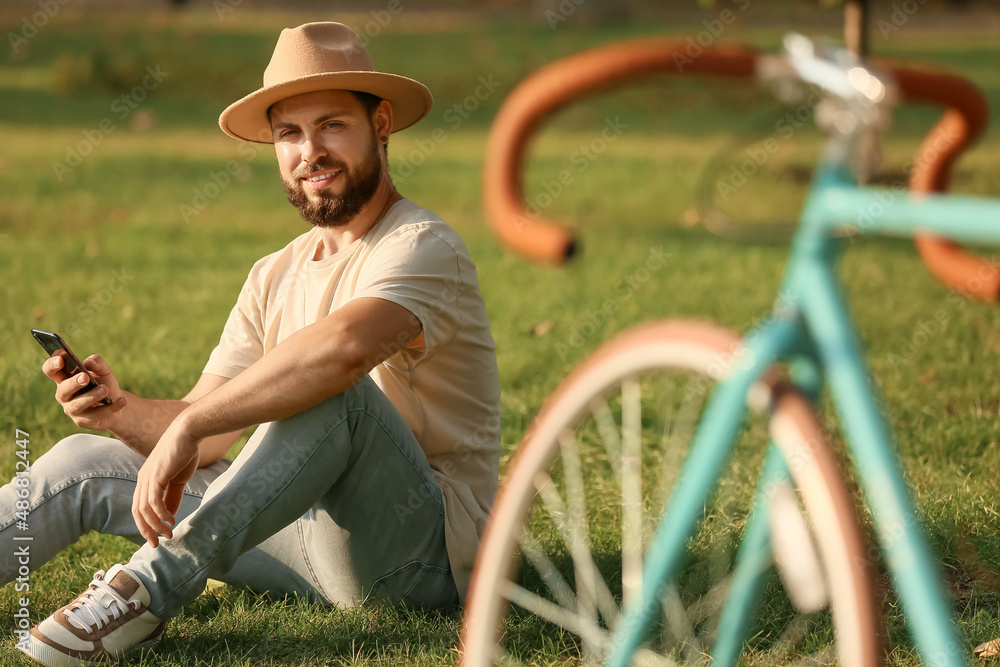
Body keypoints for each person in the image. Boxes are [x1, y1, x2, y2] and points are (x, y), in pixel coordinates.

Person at [4, 21, 501, 665]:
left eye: (332, 126)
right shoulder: (274, 273)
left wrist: (192, 429)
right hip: (299, 540)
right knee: (82, 460)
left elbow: (345, 352)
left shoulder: (422, 245)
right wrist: (119, 413)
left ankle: (145, 593)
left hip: (417, 560)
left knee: (334, 397)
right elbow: (206, 434)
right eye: (289, 133)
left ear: (380, 125)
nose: (309, 152)